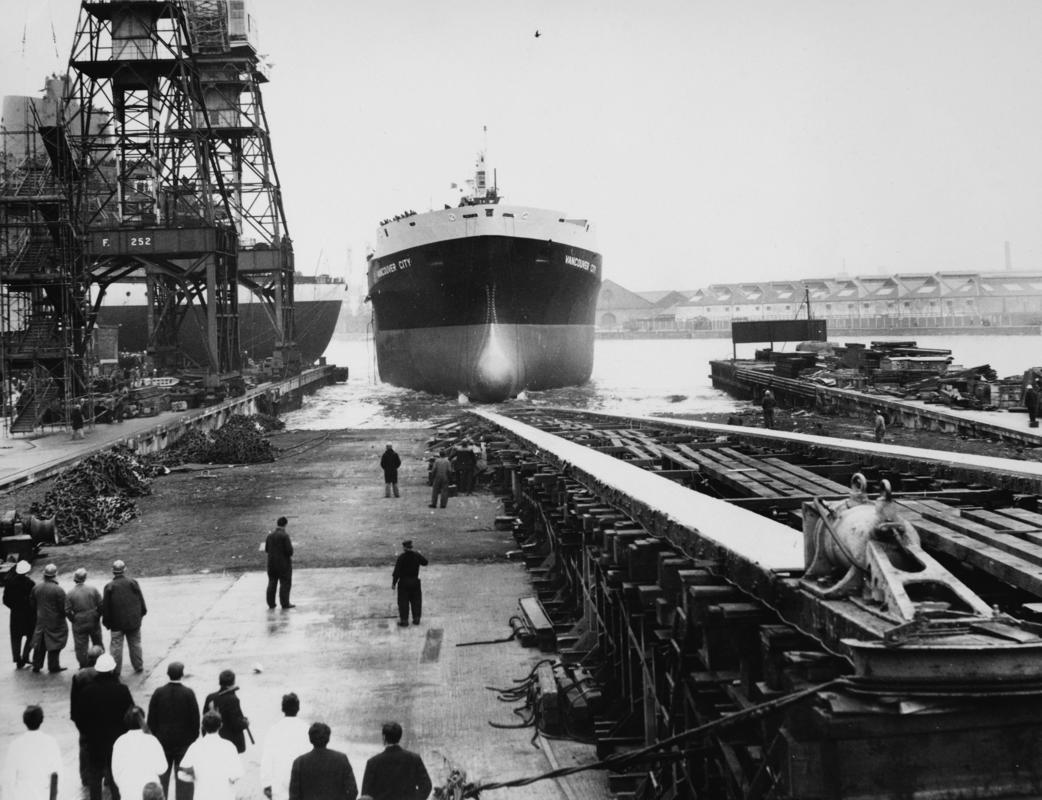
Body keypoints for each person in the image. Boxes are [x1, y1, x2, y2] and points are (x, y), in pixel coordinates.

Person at [77, 653, 135, 800]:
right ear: (112, 670)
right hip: (116, 741)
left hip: (94, 742)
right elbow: (130, 715)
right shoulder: (122, 690)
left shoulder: (87, 691)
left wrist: (87, 734)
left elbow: (80, 718)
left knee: (95, 776)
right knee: (115, 775)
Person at [147, 661, 200, 800]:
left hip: (162, 743)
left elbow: (151, 720)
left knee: (162, 777)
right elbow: (195, 720)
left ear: (167, 674)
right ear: (182, 674)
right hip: (183, 744)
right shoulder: (188, 693)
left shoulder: (158, 693)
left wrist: (156, 738)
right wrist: (191, 740)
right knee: (184, 780)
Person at [2, 705, 62, 800]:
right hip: (43, 795)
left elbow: (9, 778)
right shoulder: (51, 742)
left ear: (24, 721)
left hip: (22, 795)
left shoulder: (15, 745)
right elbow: (56, 775)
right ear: (41, 720)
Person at [179, 711, 243, 800]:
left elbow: (182, 773)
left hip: (202, 794)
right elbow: (237, 774)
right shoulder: (229, 746)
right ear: (221, 725)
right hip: (224, 794)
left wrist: (195, 777)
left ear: (203, 726)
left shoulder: (195, 746)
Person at [359, 721, 431, 800]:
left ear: (384, 737)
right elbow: (426, 786)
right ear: (400, 737)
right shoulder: (414, 759)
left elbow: (365, 795)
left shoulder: (373, 763)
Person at [288, 722, 357, 800]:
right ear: (328, 738)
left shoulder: (299, 762)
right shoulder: (341, 759)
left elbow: (294, 796)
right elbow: (352, 791)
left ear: (310, 739)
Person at [261, 692, 310, 800]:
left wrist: (266, 782)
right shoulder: (306, 729)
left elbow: (267, 758)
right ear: (298, 708)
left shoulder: (274, 729)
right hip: (301, 780)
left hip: (279, 779)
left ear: (283, 709)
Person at [111, 706, 167, 800]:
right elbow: (162, 768)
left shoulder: (119, 742)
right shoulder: (152, 740)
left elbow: (115, 773)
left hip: (127, 792)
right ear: (143, 720)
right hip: (150, 794)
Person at [102, 559, 147, 675]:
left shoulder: (109, 586)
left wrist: (107, 623)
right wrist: (140, 615)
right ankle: (138, 666)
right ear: (125, 570)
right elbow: (141, 601)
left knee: (116, 648)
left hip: (116, 624)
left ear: (113, 571)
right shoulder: (133, 582)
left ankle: (115, 671)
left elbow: (106, 607)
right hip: (133, 622)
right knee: (135, 644)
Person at [71, 645, 106, 791]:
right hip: (102, 717)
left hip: (85, 718)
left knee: (85, 747)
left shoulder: (79, 675)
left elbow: (74, 700)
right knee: (106, 746)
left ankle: (86, 777)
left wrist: (76, 718)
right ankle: (107, 775)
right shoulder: (105, 672)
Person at [30, 563, 68, 673]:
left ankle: (36, 664)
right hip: (55, 621)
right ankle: (53, 666)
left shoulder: (36, 588)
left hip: (41, 620)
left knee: (40, 642)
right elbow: (63, 607)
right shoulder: (58, 590)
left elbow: (32, 603)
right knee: (55, 643)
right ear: (55, 575)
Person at [204, 669, 251, 753]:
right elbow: (236, 724)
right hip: (231, 741)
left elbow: (205, 718)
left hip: (214, 738)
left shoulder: (210, 697)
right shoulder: (233, 699)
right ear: (233, 682)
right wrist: (245, 723)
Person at [66, 567, 104, 668]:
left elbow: (67, 610)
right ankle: (100, 663)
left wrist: (73, 619)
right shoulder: (93, 589)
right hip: (93, 618)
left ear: (75, 578)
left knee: (80, 645)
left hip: (78, 619)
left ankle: (83, 665)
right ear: (85, 578)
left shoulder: (70, 593)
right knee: (97, 641)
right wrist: (97, 615)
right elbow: (101, 604)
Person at [3, 559, 36, 668]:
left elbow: (5, 600)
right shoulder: (30, 583)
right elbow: (33, 599)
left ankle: (17, 659)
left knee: (16, 637)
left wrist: (14, 607)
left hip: (15, 615)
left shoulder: (9, 583)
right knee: (31, 635)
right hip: (28, 614)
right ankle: (26, 656)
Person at [392, 540, 429, 628]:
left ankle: (404, 620)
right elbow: (425, 562)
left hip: (404, 582)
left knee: (403, 601)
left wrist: (394, 583)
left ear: (404, 548)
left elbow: (396, 572)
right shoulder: (416, 555)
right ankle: (416, 619)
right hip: (415, 581)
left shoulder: (401, 557)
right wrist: (418, 556)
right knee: (416, 600)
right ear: (411, 547)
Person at [266, 516, 295, 609]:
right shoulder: (285, 536)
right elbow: (289, 551)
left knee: (272, 583)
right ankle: (285, 603)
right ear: (285, 524)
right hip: (283, 564)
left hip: (271, 564)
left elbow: (267, 549)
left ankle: (271, 603)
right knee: (285, 583)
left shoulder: (269, 536)